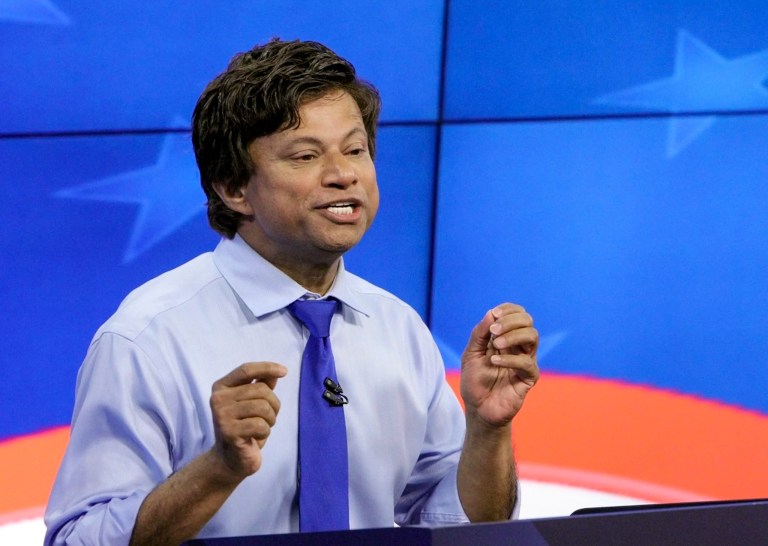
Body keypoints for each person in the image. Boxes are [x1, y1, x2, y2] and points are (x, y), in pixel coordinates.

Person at [44, 39, 539, 545]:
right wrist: (218, 469)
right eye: (305, 156)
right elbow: (78, 539)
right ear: (233, 188)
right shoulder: (147, 339)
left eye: (356, 150)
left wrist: (487, 430)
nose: (343, 174)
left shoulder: (398, 327)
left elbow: (461, 527)